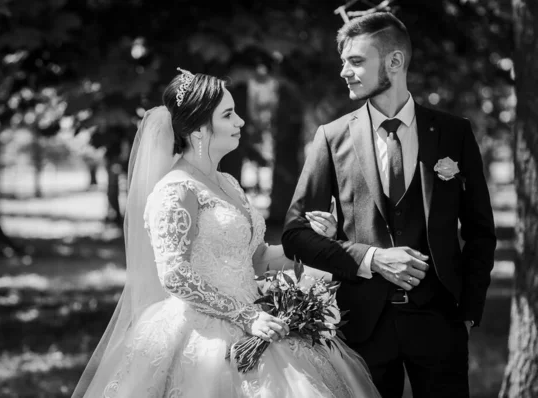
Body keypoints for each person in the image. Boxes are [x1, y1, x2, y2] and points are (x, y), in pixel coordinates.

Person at [71, 68, 381, 398]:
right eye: (229, 115)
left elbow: (256, 259)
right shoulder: (175, 191)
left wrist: (316, 240)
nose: (241, 123)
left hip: (259, 317)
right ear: (199, 128)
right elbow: (174, 274)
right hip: (202, 332)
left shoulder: (228, 183)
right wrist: (244, 316)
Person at [282, 12, 496, 398]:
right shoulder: (331, 138)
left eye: (356, 61)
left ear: (395, 62)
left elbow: (481, 230)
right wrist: (372, 258)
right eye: (343, 61)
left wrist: (468, 311)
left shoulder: (453, 133)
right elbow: (295, 235)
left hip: (440, 322)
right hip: (361, 325)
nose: (344, 71)